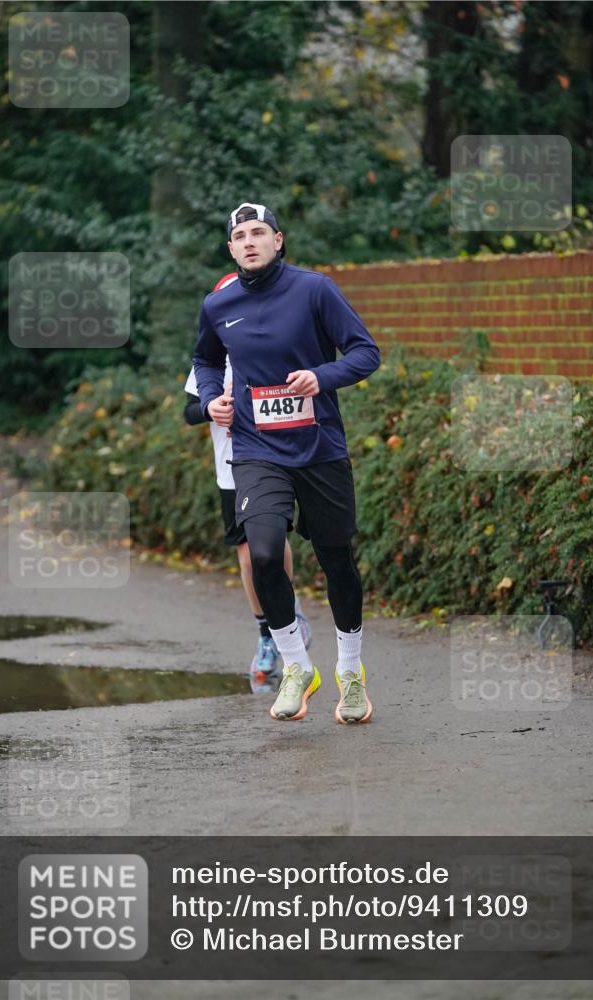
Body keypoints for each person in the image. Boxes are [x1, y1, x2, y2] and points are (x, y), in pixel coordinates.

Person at [192, 203, 380, 724]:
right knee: (266, 554)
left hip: (319, 448)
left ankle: (350, 671)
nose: (249, 242)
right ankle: (297, 666)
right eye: (240, 236)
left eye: (259, 233)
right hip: (256, 450)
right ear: (231, 249)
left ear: (278, 240)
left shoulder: (314, 289)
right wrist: (211, 400)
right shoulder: (218, 304)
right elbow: (204, 360)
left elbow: (366, 352)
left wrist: (322, 376)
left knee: (336, 558)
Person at [184, 272, 311, 694]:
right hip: (229, 467)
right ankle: (267, 634)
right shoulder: (210, 357)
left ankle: (288, 614)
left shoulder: (271, 345)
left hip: (274, 460)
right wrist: (209, 407)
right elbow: (189, 409)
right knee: (247, 555)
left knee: (270, 543)